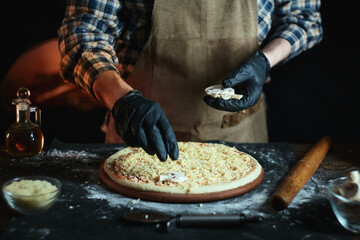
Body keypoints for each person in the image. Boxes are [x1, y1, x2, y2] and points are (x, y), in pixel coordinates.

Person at [57, 0, 322, 162]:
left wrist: (263, 61)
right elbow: (84, 34)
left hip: (243, 139)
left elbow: (304, 19)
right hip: (141, 139)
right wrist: (123, 99)